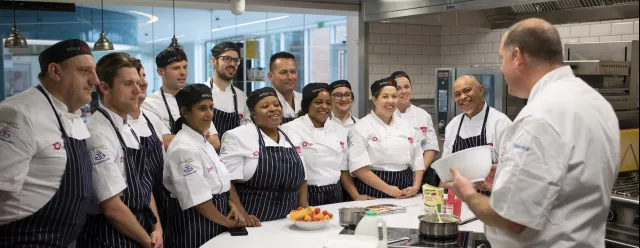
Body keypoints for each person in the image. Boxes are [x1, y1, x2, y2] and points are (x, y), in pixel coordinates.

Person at [444, 18, 620, 248]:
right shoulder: (596, 103)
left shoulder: (539, 117)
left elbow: (512, 219)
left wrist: (467, 193)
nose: (501, 69)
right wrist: (509, 174)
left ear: (518, 56)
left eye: (502, 58)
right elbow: (563, 179)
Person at [0, 39, 98, 247]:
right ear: (55, 71)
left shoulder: (72, 114)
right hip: (23, 239)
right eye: (84, 71)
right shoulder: (19, 112)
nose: (95, 80)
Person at [77, 52, 162, 248]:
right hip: (110, 236)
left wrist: (157, 228)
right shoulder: (97, 133)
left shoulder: (129, 127)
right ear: (105, 87)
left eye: (138, 82)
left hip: (142, 229)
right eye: (127, 84)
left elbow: (144, 187)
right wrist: (147, 240)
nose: (137, 89)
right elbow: (113, 208)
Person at [163, 84, 243, 248]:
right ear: (185, 112)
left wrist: (231, 205)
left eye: (211, 107)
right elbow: (199, 202)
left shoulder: (204, 142)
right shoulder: (183, 148)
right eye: (202, 108)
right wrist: (228, 223)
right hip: (193, 225)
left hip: (216, 218)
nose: (209, 114)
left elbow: (218, 184)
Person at [221, 87, 307, 226]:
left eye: (276, 104)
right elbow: (227, 182)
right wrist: (242, 213)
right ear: (253, 114)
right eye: (265, 106)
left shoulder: (292, 135)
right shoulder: (238, 136)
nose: (273, 109)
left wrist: (304, 208)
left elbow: (303, 178)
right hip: (255, 220)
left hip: (291, 219)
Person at [348, 78, 425, 199]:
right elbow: (359, 168)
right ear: (374, 99)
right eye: (385, 97)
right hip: (373, 188)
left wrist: (416, 187)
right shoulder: (360, 127)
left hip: (405, 189)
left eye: (394, 96)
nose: (391, 101)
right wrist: (389, 190)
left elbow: (418, 160)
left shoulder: (408, 125)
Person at [440, 75, 511, 194]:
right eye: (457, 95)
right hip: (458, 201)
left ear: (481, 90)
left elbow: (511, 169)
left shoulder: (501, 123)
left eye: (467, 90)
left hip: (490, 201)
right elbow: (446, 171)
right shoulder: (452, 126)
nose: (462, 97)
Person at [281, 83, 351, 206]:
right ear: (308, 104)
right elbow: (291, 169)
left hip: (335, 191)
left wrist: (356, 196)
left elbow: (343, 168)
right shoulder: (290, 129)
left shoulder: (339, 129)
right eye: (318, 102)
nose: (324, 107)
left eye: (328, 103)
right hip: (306, 193)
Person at [141, 47, 221, 150]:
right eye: (176, 68)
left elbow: (215, 142)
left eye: (185, 67)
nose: (183, 72)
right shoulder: (149, 104)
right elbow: (163, 142)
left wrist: (175, 139)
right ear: (161, 72)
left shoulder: (196, 98)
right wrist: (201, 137)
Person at [130, 58, 171, 232]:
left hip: (160, 199)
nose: (144, 82)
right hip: (136, 210)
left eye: (144, 75)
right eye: (136, 78)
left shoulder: (151, 118)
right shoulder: (119, 125)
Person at [390, 71, 440, 187]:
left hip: (424, 174)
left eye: (407, 87)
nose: (404, 91)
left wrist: (419, 171)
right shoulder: (386, 115)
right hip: (396, 175)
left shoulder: (423, 115)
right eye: (398, 88)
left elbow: (430, 148)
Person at [206, 42, 251, 137]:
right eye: (227, 59)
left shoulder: (241, 97)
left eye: (235, 60)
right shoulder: (201, 93)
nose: (232, 64)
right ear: (214, 61)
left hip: (236, 150)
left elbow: (247, 131)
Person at [267, 52, 302, 124]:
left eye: (293, 72)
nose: (290, 77)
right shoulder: (263, 104)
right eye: (283, 72)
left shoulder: (304, 100)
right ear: (270, 76)